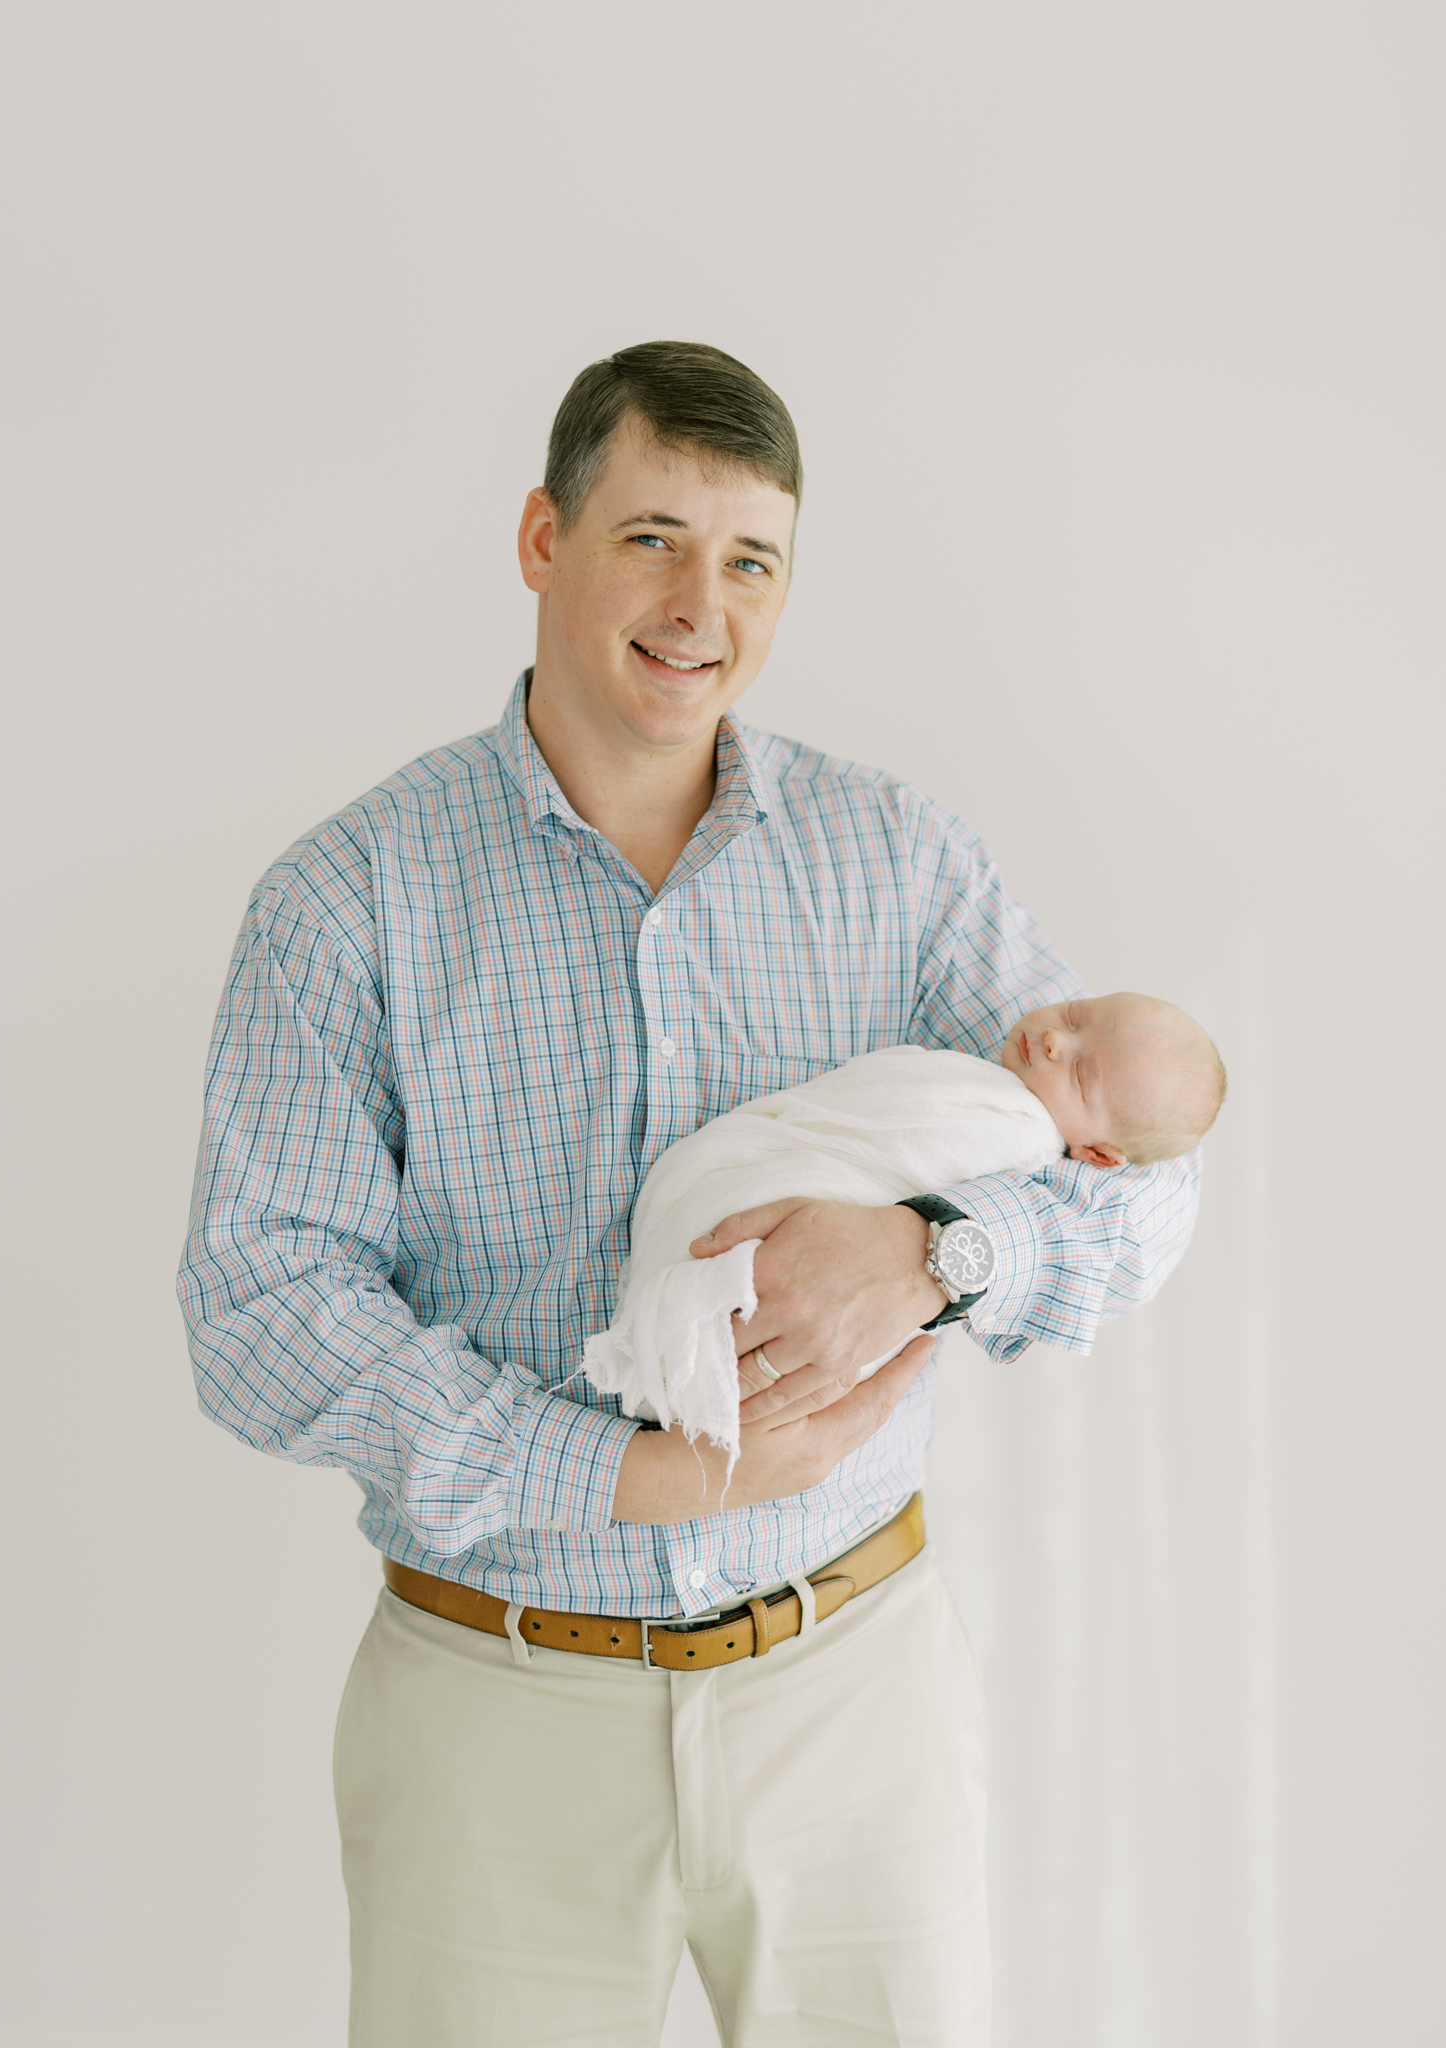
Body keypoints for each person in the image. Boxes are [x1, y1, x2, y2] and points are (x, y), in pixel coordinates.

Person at [178, 341, 1201, 2047]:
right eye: (651, 535)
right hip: (494, 1716)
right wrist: (620, 1472)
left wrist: (934, 1254)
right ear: (539, 537)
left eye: (749, 560)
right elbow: (258, 1308)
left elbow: (1144, 1185)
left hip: (852, 1692)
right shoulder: (345, 899)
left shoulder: (902, 862)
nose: (696, 604)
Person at [583, 993, 1225, 1461]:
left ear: (1098, 1155)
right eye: (1079, 1015)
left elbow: (1155, 1209)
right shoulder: (1003, 1073)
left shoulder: (1019, 1134)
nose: (1058, 1040)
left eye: (1081, 1073)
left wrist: (925, 1245)